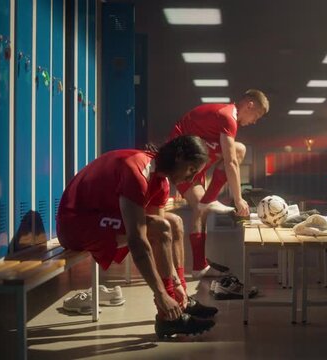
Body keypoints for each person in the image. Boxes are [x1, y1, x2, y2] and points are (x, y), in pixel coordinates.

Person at [56, 135, 218, 338]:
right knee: (160, 227)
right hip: (75, 224)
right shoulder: (137, 170)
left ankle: (180, 299)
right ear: (178, 157)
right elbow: (138, 241)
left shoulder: (161, 182)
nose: (191, 178)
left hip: (99, 218)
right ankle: (168, 316)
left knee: (173, 223)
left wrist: (177, 283)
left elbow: (160, 236)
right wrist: (160, 294)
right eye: (192, 170)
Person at [167, 89, 269, 278]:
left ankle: (199, 267)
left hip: (196, 159)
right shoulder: (228, 117)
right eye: (257, 115)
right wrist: (238, 199)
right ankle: (208, 201)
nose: (254, 121)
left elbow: (231, 157)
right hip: (180, 161)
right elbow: (230, 162)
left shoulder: (228, 117)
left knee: (239, 149)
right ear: (250, 105)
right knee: (202, 206)